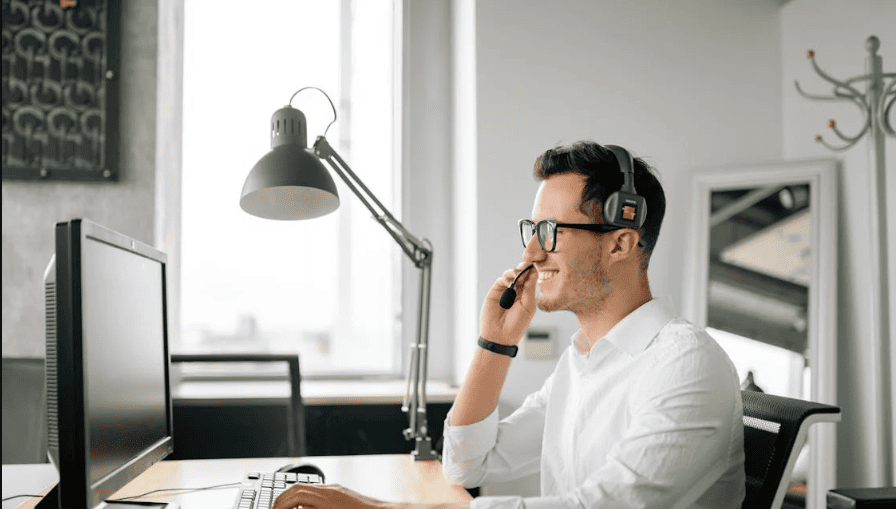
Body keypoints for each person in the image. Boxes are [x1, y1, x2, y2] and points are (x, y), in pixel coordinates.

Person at [272, 141, 745, 509]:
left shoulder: (685, 365)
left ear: (620, 243)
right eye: (532, 230)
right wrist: (494, 343)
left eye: (550, 233)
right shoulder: (583, 362)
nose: (531, 254)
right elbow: (467, 468)